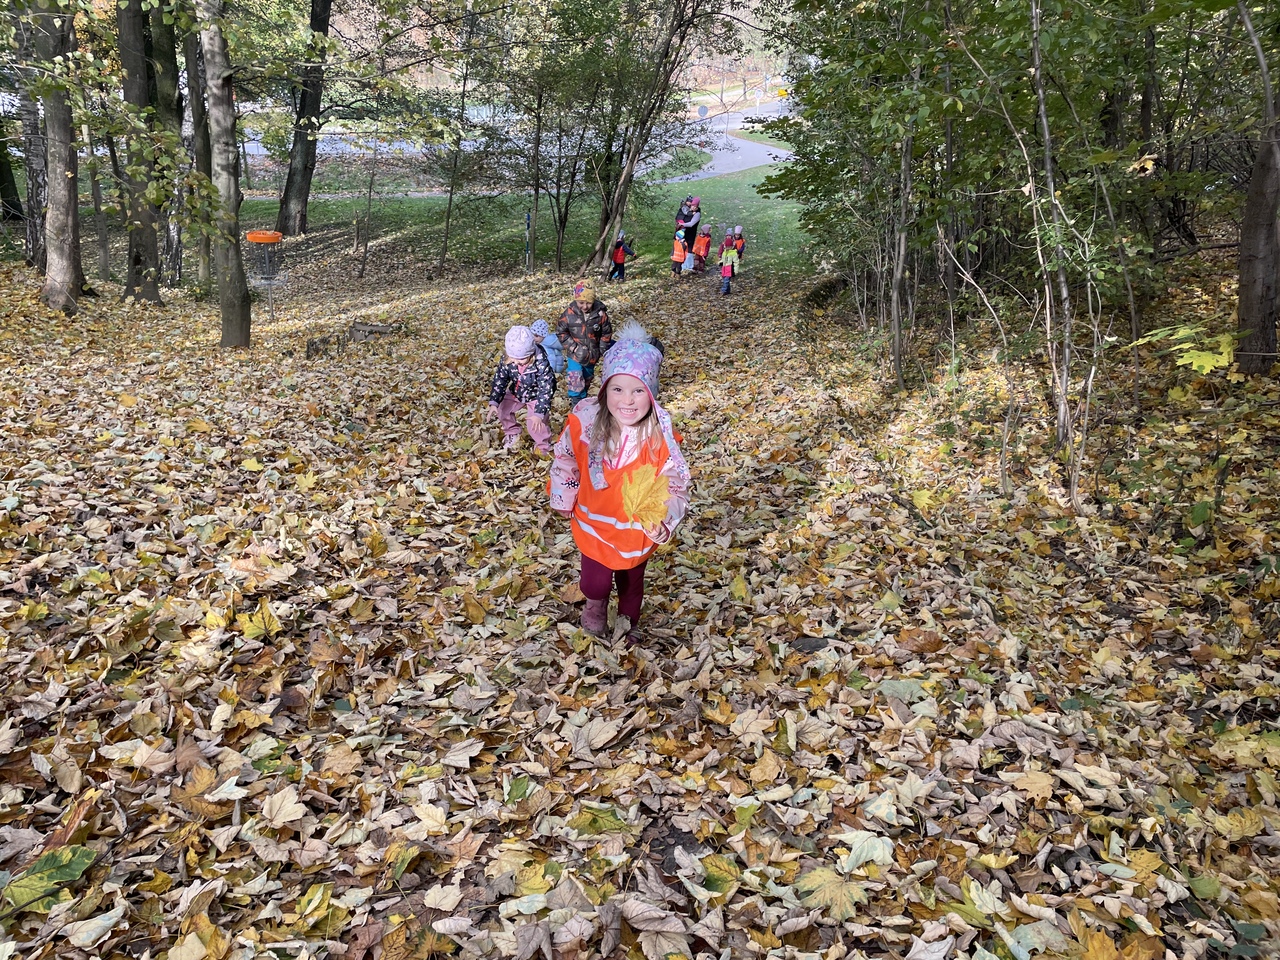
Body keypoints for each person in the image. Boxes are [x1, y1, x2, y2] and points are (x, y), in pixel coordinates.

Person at [549, 321, 690, 643]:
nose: (627, 400)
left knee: (631, 579)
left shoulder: (659, 436)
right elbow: (565, 457)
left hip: (635, 527)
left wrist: (665, 518)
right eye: (618, 389)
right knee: (595, 581)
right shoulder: (585, 422)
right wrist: (564, 496)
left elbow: (676, 482)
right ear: (604, 390)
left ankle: (629, 623)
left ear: (651, 394)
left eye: (638, 390)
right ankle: (595, 606)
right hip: (594, 519)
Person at [485, 325, 556, 453]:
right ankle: (513, 432)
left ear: (531, 354)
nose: (517, 362)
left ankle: (543, 446)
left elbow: (546, 389)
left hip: (536, 396)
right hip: (516, 392)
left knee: (535, 423)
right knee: (503, 409)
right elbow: (500, 379)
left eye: (522, 358)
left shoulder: (541, 363)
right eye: (514, 358)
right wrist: (494, 401)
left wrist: (539, 413)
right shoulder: (509, 360)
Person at [556, 278, 613, 407]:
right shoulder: (569, 314)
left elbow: (606, 333)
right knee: (575, 376)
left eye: (588, 303)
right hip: (575, 355)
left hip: (592, 354)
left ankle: (583, 400)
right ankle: (575, 402)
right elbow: (561, 332)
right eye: (581, 302)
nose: (585, 306)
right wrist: (573, 347)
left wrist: (602, 350)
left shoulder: (600, 314)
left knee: (587, 378)